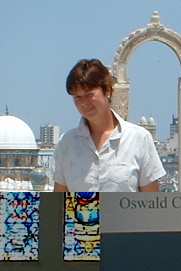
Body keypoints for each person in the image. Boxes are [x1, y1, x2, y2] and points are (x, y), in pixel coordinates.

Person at [53, 58, 166, 192]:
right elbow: (59, 199)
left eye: (89, 94)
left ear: (107, 91)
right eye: (77, 97)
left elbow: (151, 200)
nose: (84, 103)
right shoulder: (66, 144)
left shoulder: (138, 139)